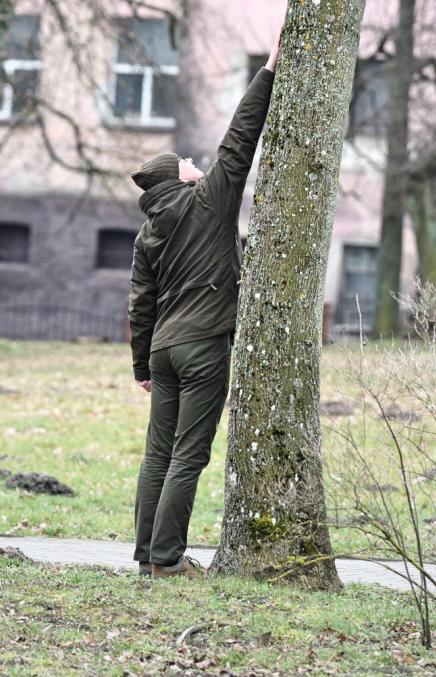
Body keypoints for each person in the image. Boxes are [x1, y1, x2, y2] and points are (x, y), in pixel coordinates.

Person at [128, 29, 280, 579]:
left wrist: (142, 363)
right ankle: (166, 561)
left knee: (157, 456)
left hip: (164, 352)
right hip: (202, 348)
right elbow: (239, 141)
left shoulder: (148, 235)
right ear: (179, 178)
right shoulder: (210, 200)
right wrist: (267, 71)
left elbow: (141, 302)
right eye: (187, 161)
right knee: (188, 456)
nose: (196, 162)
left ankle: (147, 556)